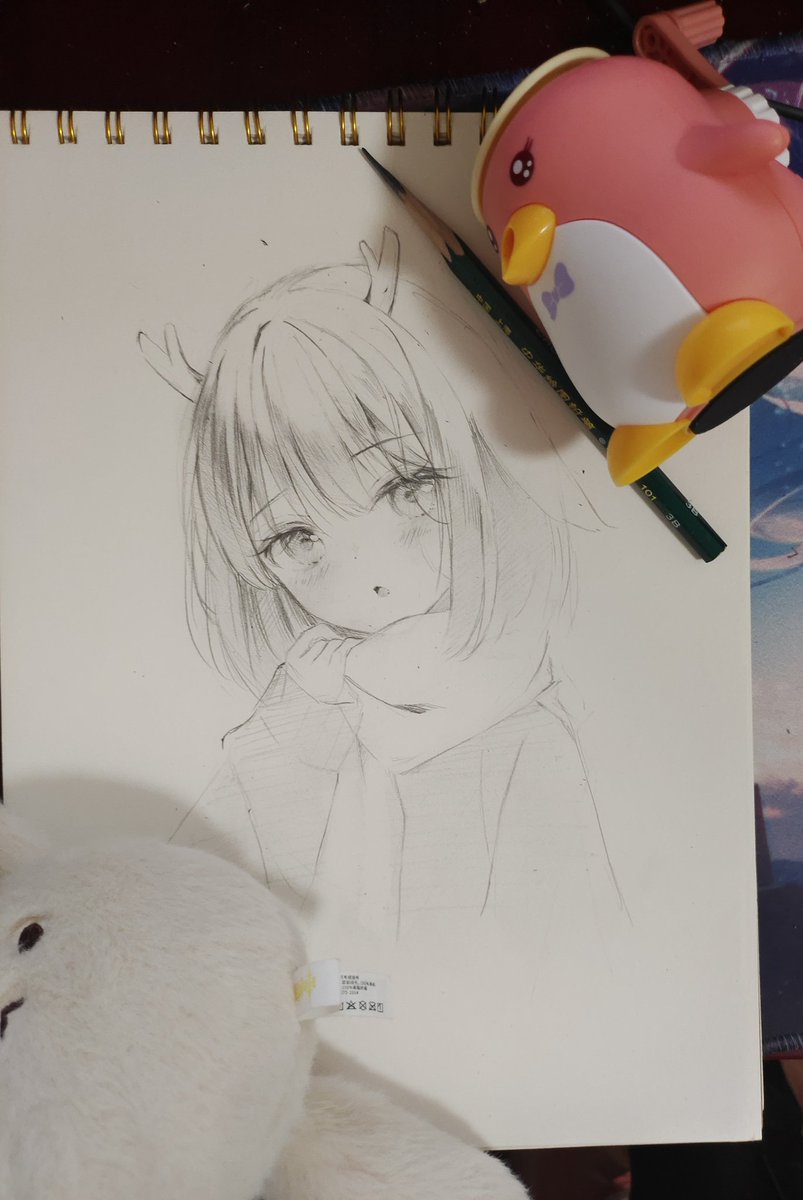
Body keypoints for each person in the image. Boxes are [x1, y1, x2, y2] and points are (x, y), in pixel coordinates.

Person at [143, 227, 618, 939]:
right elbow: (180, 911)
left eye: (406, 489)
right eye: (296, 538)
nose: (370, 577)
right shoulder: (300, 711)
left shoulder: (518, 718)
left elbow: (570, 957)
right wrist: (293, 739)